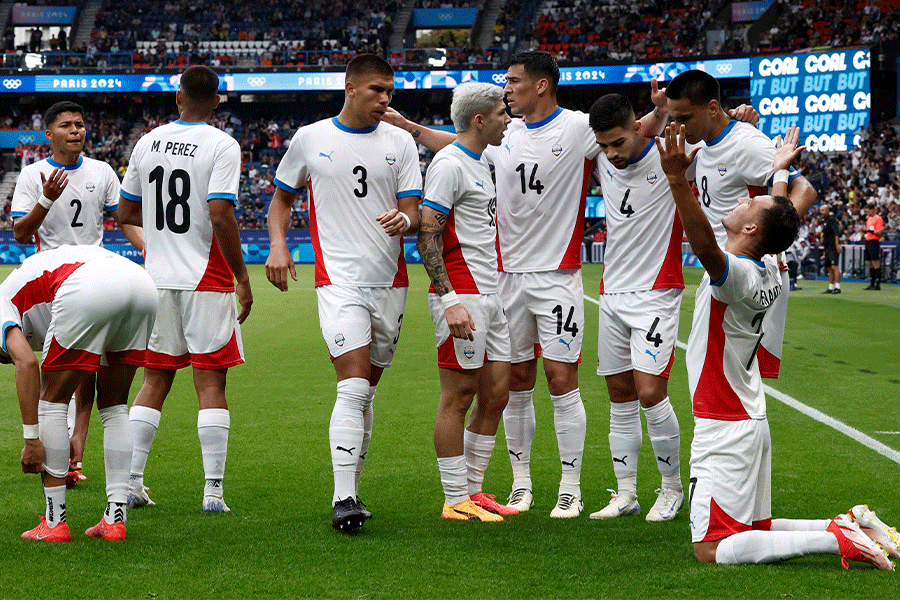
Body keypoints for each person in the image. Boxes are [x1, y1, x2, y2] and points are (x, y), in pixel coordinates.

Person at [385, 52, 672, 517]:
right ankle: (521, 484)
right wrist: (409, 127)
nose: (507, 88)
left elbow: (631, 136)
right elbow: (458, 141)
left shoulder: (579, 128)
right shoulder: (504, 132)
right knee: (514, 382)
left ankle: (571, 487)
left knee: (562, 380)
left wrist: (659, 112)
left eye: (514, 81)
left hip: (557, 277)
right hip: (503, 280)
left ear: (541, 85)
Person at [658, 122, 896, 570]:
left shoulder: (741, 274)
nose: (744, 198)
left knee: (710, 549)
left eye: (751, 200)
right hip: (748, 417)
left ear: (750, 226)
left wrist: (676, 180)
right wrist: (779, 171)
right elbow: (782, 211)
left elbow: (707, 248)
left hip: (725, 420)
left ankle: (838, 540)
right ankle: (850, 525)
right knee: (754, 530)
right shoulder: (770, 261)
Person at [265, 54, 421, 532]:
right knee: (352, 386)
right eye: (377, 90)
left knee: (367, 392)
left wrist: (406, 220)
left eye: (390, 92)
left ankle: (353, 485)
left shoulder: (401, 143)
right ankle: (344, 497)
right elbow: (281, 199)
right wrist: (277, 246)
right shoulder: (311, 137)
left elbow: (414, 212)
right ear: (350, 88)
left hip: (390, 283)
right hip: (338, 282)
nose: (385, 99)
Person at [118, 65, 252, 513]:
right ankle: (212, 491)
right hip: (206, 278)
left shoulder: (147, 141)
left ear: (178, 97)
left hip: (155, 281)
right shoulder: (222, 144)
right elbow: (219, 214)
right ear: (217, 101)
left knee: (154, 379)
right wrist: (242, 276)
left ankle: (132, 482)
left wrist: (154, 248)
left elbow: (125, 214)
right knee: (210, 383)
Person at [10, 100, 144, 487]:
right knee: (62, 374)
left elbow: (123, 219)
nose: (76, 130)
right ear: (48, 134)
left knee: (91, 372)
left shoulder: (101, 172)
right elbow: (20, 233)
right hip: (50, 282)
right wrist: (46, 199)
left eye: (80, 124)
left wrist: (147, 247)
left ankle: (75, 451)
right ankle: (60, 456)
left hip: (95, 277)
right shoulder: (34, 174)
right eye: (67, 125)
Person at [665, 70, 816, 379]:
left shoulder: (746, 143)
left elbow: (805, 190)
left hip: (742, 271)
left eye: (685, 117)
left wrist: (767, 241)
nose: (679, 127)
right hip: (724, 268)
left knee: (722, 375)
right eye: (673, 118)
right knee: (728, 374)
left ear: (710, 107)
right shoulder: (705, 143)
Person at [2, 245, 157, 542]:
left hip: (87, 284)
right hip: (141, 285)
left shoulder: (1, 303)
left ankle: (53, 523)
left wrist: (32, 440)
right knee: (115, 407)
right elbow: (87, 360)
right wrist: (80, 431)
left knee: (51, 403)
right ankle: (114, 521)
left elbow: (26, 362)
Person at [586, 94, 686, 522]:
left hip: (656, 292)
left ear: (637, 129)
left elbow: (722, 150)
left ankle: (672, 489)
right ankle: (626, 492)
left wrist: (740, 118)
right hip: (612, 294)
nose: (610, 153)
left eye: (618, 143)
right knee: (620, 395)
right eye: (603, 145)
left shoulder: (674, 157)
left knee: (650, 391)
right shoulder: (603, 157)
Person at [418, 82, 513, 522]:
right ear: (479, 120)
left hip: (491, 294)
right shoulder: (450, 165)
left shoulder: (480, 160)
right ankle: (454, 497)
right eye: (501, 113)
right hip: (463, 295)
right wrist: (449, 299)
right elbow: (428, 233)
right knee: (458, 396)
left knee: (496, 394)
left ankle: (474, 491)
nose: (507, 119)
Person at [819, 204, 842, 294]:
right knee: (829, 268)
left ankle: (838, 287)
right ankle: (831, 287)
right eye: (821, 210)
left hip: (833, 247)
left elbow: (836, 232)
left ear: (828, 210)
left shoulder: (832, 220)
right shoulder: (825, 221)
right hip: (827, 247)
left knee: (834, 266)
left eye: (823, 210)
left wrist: (837, 245)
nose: (821, 212)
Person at [864, 203, 884, 290]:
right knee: (869, 262)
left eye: (868, 211)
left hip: (874, 241)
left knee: (875, 262)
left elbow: (879, 232)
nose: (867, 213)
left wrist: (869, 231)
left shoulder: (878, 218)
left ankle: (877, 283)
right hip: (868, 241)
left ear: (873, 210)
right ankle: (872, 283)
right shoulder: (868, 219)